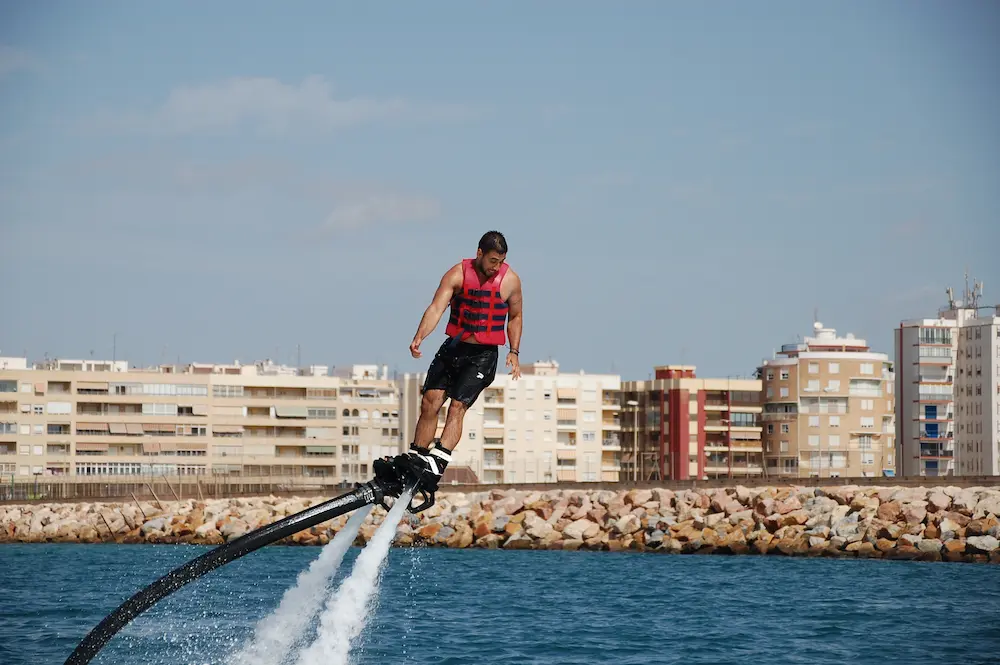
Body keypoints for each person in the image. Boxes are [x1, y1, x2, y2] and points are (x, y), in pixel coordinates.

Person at [377, 230, 523, 497]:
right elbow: (436, 308)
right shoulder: (457, 274)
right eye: (492, 261)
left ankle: (437, 462)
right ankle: (416, 458)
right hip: (454, 347)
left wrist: (514, 351)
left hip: (483, 355)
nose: (496, 268)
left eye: (500, 262)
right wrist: (419, 336)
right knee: (430, 401)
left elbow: (515, 316)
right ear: (479, 253)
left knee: (457, 407)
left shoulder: (510, 281)